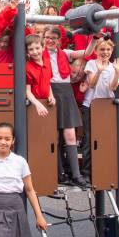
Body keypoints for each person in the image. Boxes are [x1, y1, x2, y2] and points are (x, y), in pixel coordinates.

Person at [43, 26, 89, 187]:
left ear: (58, 40)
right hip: (49, 92)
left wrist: (96, 39)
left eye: (53, 38)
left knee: (70, 135)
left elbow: (86, 53)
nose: (50, 40)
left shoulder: (65, 53)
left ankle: (76, 175)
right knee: (53, 136)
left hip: (66, 92)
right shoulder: (38, 54)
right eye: (47, 37)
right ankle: (59, 173)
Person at [80, 38, 119, 179]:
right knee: (89, 138)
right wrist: (99, 71)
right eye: (102, 49)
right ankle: (87, 172)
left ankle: (104, 169)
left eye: (108, 50)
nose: (105, 52)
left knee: (105, 138)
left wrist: (117, 72)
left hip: (106, 107)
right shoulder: (92, 64)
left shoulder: (113, 67)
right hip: (91, 105)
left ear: (111, 51)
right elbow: (92, 84)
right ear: (96, 50)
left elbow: (113, 87)